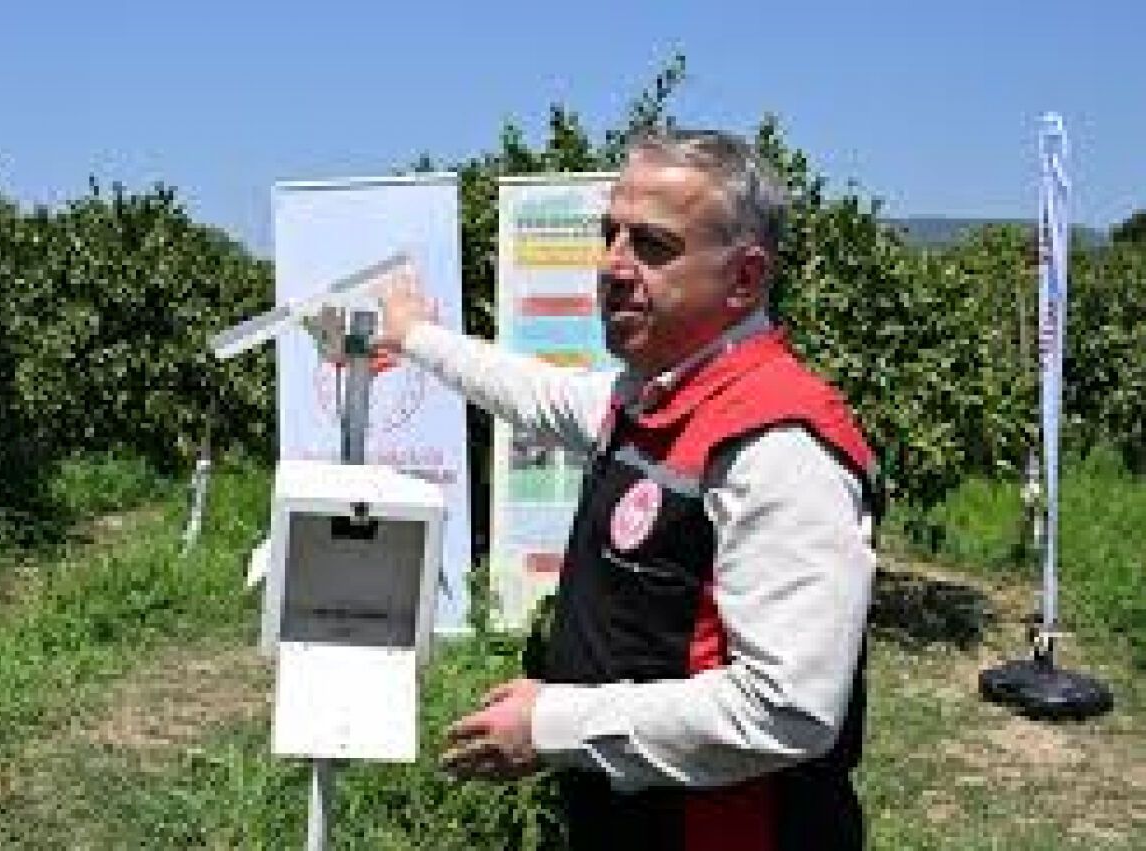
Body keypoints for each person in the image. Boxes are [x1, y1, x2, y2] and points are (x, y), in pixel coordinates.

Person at [375, 128, 878, 851]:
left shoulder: (777, 444)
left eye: (652, 245)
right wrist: (416, 337)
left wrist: (551, 724)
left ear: (744, 278)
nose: (612, 264)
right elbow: (538, 394)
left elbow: (788, 708)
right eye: (609, 234)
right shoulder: (653, 396)